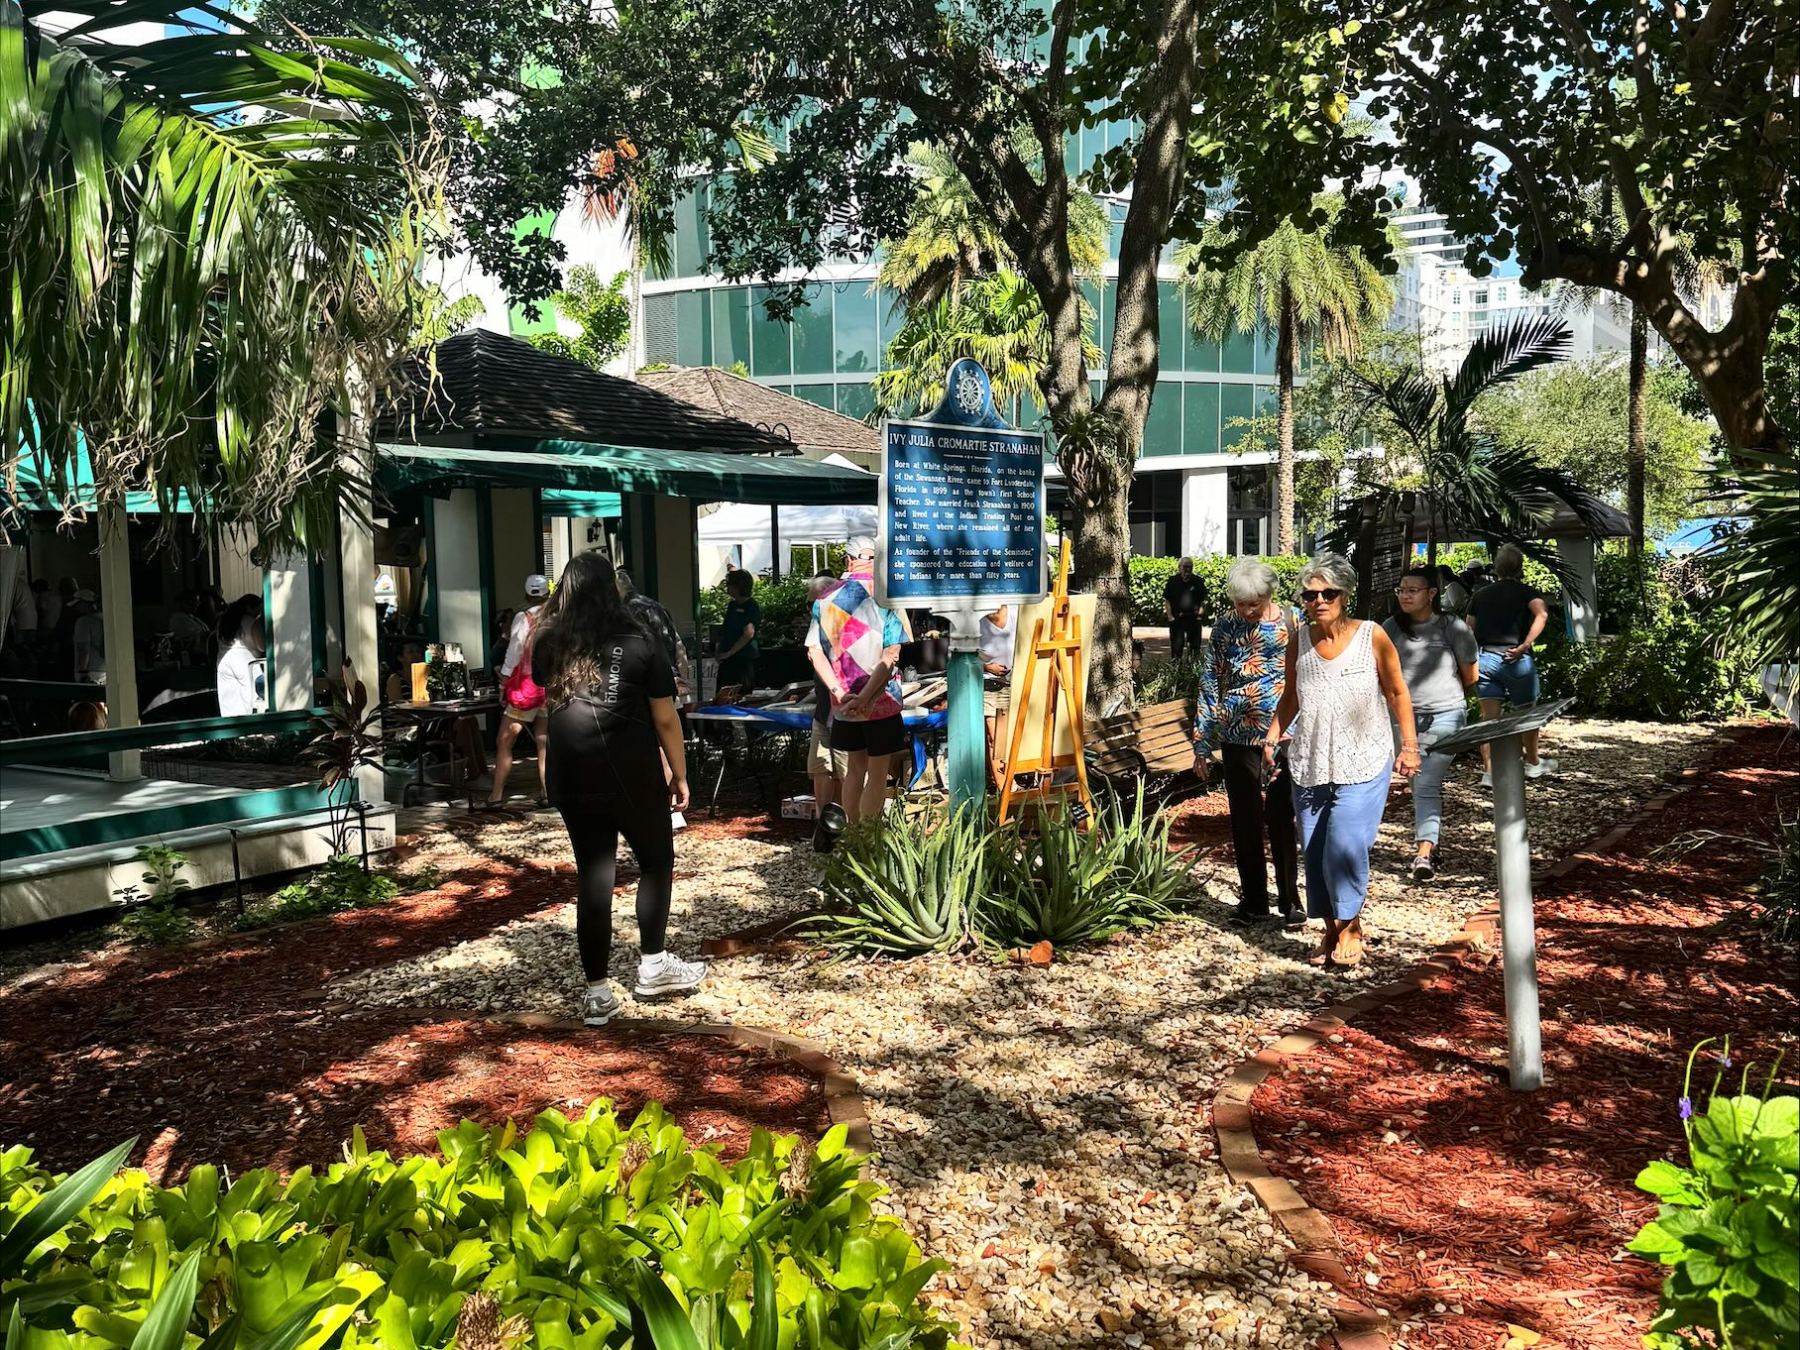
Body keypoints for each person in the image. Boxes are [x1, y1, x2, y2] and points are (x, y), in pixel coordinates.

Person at [532, 551, 704, 1025]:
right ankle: (652, 965)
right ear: (614, 588)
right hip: (629, 772)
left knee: (594, 875)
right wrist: (680, 773)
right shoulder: (638, 640)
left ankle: (597, 993)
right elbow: (665, 717)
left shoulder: (550, 642)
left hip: (570, 775)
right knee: (655, 860)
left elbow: (546, 687)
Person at [1265, 554, 1422, 968]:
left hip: (1364, 759)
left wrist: (1409, 745)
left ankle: (1351, 924)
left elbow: (1397, 692)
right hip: (1311, 761)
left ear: (1344, 594)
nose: (1319, 600)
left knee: (1344, 845)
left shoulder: (1371, 635)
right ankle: (1331, 928)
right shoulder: (1299, 638)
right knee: (1315, 850)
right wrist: (1272, 731)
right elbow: (1292, 695)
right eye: (1310, 594)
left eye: (1328, 593)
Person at [1192, 560, 1302, 927]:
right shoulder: (1226, 626)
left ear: (1270, 594)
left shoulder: (1294, 622)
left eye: (1255, 602)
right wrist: (1202, 742)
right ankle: (1254, 900)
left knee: (1282, 816)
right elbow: (1211, 680)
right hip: (1237, 734)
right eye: (1242, 603)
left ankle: (1291, 899)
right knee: (1245, 820)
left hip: (1285, 732)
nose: (1249, 610)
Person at [1383, 567, 1479, 882]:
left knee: (1425, 782)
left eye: (1413, 589)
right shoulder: (1390, 629)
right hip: (1403, 720)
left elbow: (1471, 677)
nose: (1406, 595)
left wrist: (1440, 696)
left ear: (1432, 594)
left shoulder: (1453, 627)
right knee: (1418, 782)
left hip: (1446, 714)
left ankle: (1423, 854)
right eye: (1401, 589)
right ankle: (1431, 842)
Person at [806, 536, 905, 827]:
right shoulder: (888, 595)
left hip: (844, 705)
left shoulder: (824, 598)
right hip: (881, 703)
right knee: (877, 773)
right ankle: (869, 839)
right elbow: (892, 655)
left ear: (848, 560)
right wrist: (866, 698)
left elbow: (813, 652)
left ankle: (850, 838)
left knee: (854, 770)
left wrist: (839, 691)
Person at [1467, 543, 1555, 785]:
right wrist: (1525, 645)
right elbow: (1542, 614)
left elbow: (1467, 629)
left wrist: (1473, 657)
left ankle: (1489, 772)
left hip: (1485, 659)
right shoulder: (1527, 592)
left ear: (1496, 567)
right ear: (1520, 567)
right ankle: (1533, 763)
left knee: (1488, 718)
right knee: (1527, 713)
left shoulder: (1480, 595)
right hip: (1517, 659)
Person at [481, 574, 550, 811]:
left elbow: (514, 651)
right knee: (543, 740)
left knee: (504, 740)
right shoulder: (557, 617)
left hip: (527, 688)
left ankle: (497, 795)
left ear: (526, 594)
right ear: (547, 593)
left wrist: (505, 682)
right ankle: (547, 791)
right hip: (550, 688)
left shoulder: (524, 617)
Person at [805, 572, 849, 848]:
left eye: (812, 603)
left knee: (847, 773)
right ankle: (824, 829)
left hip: (845, 713)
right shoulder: (818, 627)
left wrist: (839, 692)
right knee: (820, 767)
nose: (810, 609)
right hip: (824, 714)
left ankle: (847, 830)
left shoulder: (845, 627)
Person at [617, 567, 693, 706]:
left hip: (653, 683)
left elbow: (640, 651)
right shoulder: (656, 606)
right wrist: (682, 677)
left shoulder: (629, 611)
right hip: (670, 679)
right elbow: (678, 643)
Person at [215, 594, 267, 715]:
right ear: (249, 607)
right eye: (257, 609)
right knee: (250, 701)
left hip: (223, 661)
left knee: (229, 702)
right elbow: (261, 646)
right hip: (245, 660)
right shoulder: (250, 621)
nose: (258, 613)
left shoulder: (223, 620)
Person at [716, 569, 760, 695]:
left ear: (737, 586)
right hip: (727, 657)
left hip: (743, 658)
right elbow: (725, 629)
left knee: (739, 695)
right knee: (722, 693)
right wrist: (719, 648)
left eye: (729, 584)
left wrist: (730, 652)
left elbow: (748, 634)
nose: (727, 587)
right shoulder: (732, 605)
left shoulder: (751, 606)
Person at [1164, 556, 1205, 664]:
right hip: (1177, 618)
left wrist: (1200, 614)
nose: (1187, 569)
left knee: (1195, 647)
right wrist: (1170, 616)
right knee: (1177, 646)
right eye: (1185, 567)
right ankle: (1176, 669)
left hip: (1194, 618)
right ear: (1179, 567)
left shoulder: (1198, 582)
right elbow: (1167, 600)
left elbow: (1203, 600)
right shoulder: (1172, 582)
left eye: (1190, 567)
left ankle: (1192, 670)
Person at [70, 588, 105, 685]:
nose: (76, 608)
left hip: (90, 672)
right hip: (105, 670)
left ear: (84, 604)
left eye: (77, 605)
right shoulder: (104, 618)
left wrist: (82, 673)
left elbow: (84, 649)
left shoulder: (83, 622)